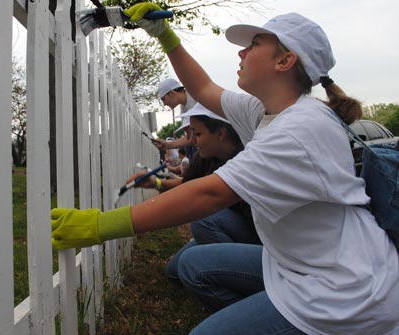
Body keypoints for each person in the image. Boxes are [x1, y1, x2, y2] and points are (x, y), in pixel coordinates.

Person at [51, 8, 399, 335]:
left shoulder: (300, 128)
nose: (241, 53)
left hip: (344, 294)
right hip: (296, 268)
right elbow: (203, 89)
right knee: (193, 265)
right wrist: (165, 37)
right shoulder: (267, 110)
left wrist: (98, 226)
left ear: (285, 60)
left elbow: (211, 193)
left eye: (254, 45)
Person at [126, 104, 260, 282]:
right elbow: (186, 186)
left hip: (262, 240)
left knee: (204, 221)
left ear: (221, 134)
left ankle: (239, 276)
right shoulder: (205, 157)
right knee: (174, 271)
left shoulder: (249, 158)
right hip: (232, 227)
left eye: (197, 134)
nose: (193, 142)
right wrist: (156, 183)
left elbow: (203, 197)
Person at [154, 78, 197, 158]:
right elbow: (190, 138)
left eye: (163, 99)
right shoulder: (183, 110)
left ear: (171, 93)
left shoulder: (196, 96)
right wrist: (167, 145)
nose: (164, 104)